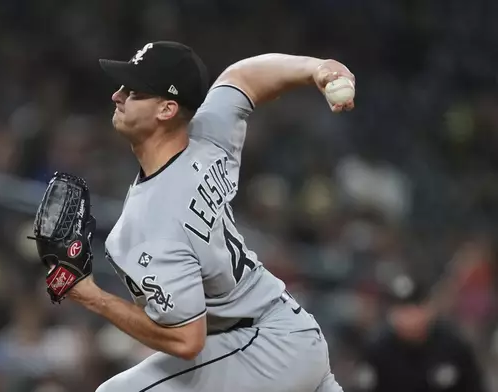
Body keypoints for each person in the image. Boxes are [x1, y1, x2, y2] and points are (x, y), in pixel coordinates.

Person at [64, 41, 354, 391]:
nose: (117, 95)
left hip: (261, 351)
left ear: (167, 109)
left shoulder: (149, 222)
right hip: (288, 334)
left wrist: (91, 296)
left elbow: (187, 341)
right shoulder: (207, 136)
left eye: (134, 91)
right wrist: (316, 67)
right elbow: (243, 78)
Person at [353, 274, 487, 392]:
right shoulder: (376, 350)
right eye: (403, 309)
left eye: (416, 307)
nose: (410, 316)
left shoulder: (454, 347)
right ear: (391, 313)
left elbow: (475, 386)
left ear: (430, 308)